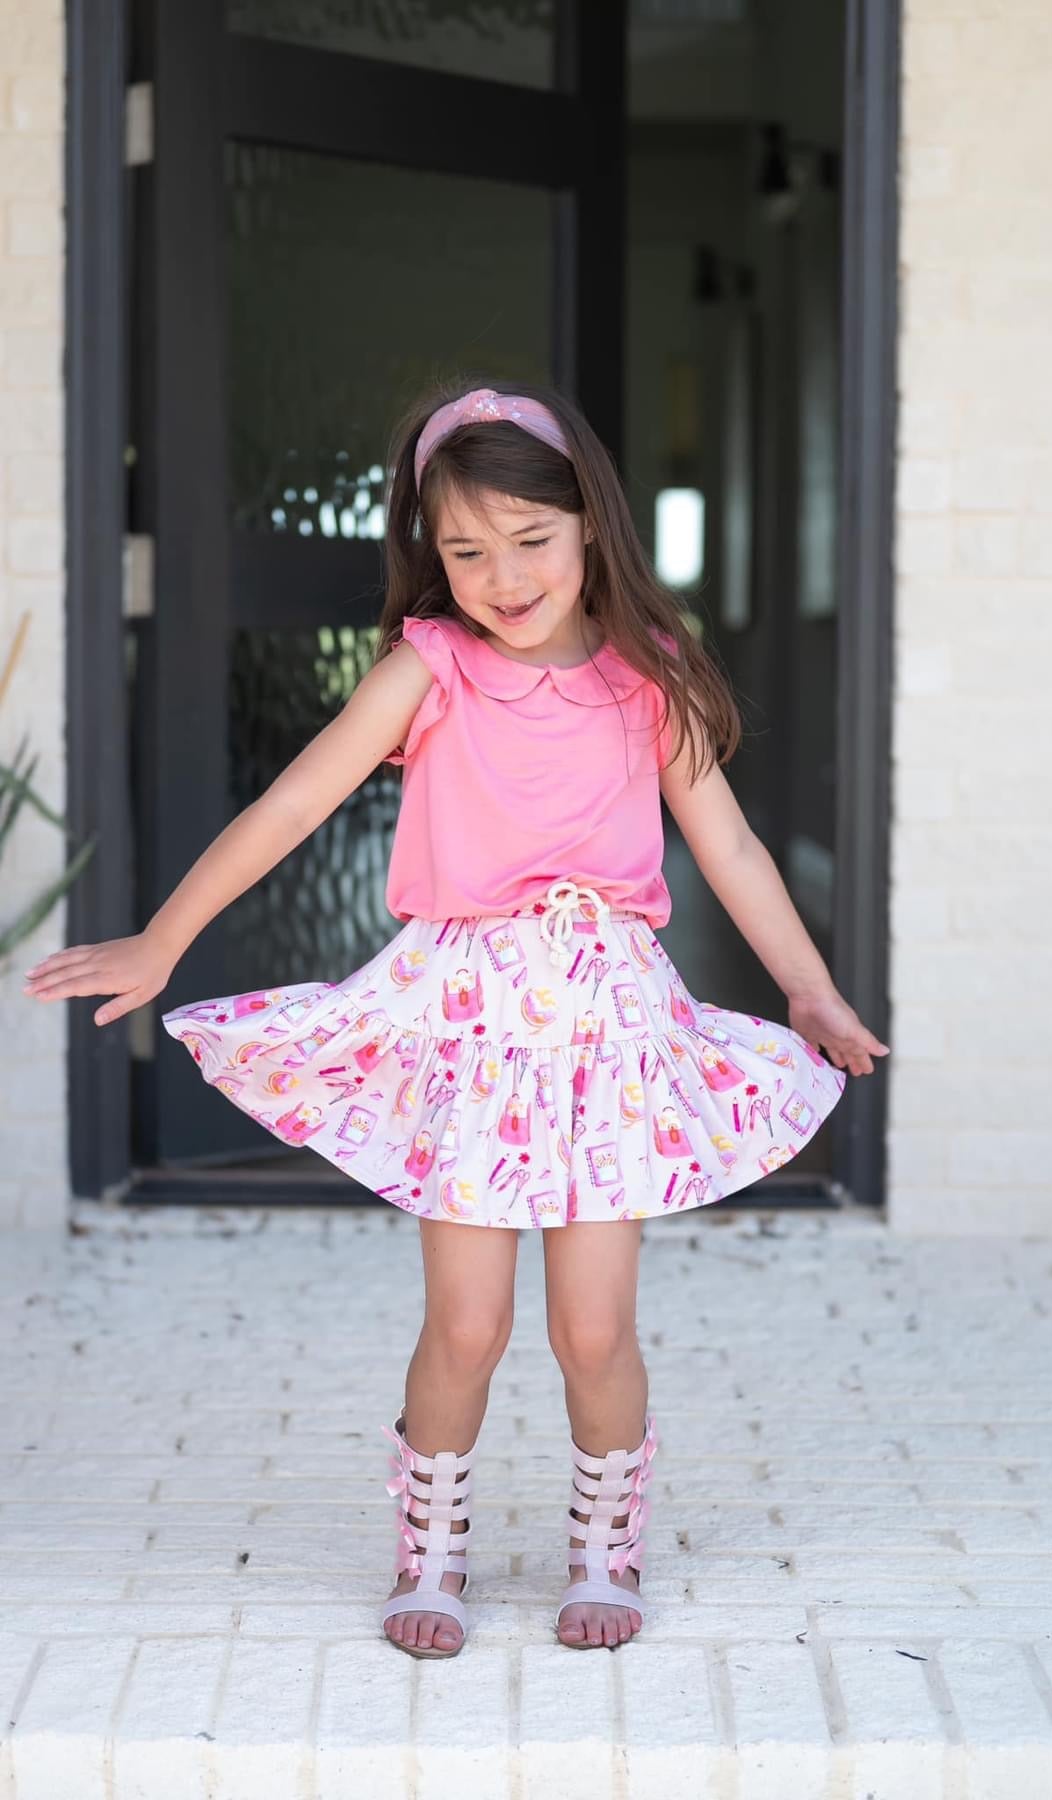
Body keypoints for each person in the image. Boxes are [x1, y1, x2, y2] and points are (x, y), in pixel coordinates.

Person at [22, 377, 888, 1660]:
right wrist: (164, 937)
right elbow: (290, 807)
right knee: (467, 1322)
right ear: (431, 555)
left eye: (530, 540)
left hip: (606, 1029)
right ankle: (430, 1548)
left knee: (592, 1326)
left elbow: (736, 849)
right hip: (469, 1026)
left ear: (589, 523)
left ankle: (605, 1543)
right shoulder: (426, 668)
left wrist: (806, 983)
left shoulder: (652, 678)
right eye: (466, 549)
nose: (501, 574)